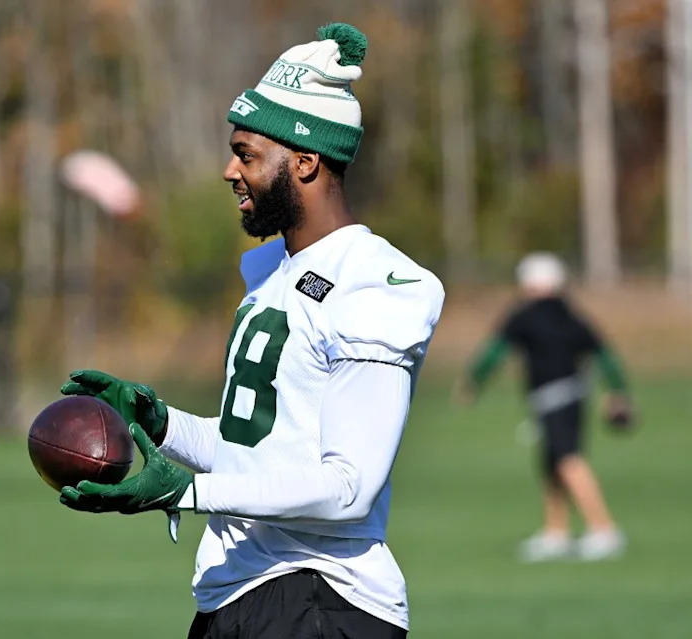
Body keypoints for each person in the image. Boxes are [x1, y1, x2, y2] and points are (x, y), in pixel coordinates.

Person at [58, 23, 444, 638]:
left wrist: (187, 492)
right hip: (240, 591)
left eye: (247, 154)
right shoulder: (272, 271)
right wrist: (160, 423)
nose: (229, 171)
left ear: (306, 161)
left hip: (320, 598)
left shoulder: (375, 282)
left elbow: (348, 489)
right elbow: (256, 451)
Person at [455, 252, 633, 562]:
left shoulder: (523, 315)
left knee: (568, 461)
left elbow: (495, 351)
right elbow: (603, 354)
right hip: (576, 394)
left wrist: (473, 382)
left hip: (552, 396)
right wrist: (618, 391)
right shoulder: (571, 314)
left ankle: (604, 529)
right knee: (551, 463)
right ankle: (556, 532)